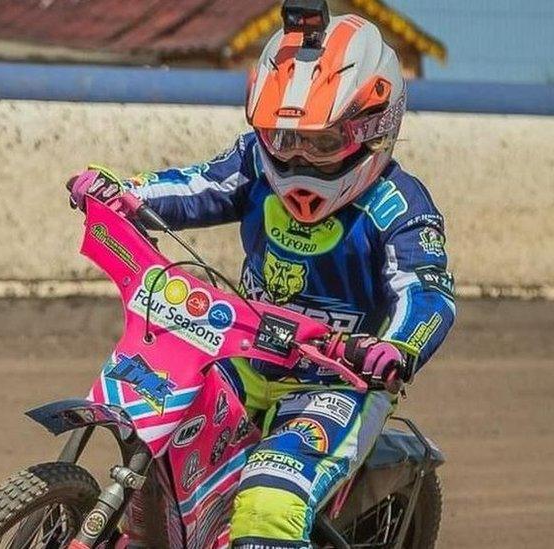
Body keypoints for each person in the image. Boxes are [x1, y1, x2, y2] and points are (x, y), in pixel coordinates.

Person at [66, 4, 456, 549]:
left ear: (373, 129)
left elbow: (428, 292)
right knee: (156, 455)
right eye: (280, 136)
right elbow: (197, 186)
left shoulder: (400, 204)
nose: (295, 157)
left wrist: (395, 347)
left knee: (269, 500)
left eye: (321, 143)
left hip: (333, 384)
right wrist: (125, 193)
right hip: (239, 359)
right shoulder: (255, 162)